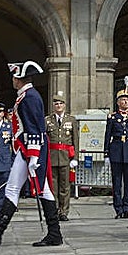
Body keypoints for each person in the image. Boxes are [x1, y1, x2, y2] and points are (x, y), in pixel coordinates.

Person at [0, 60, 64, 249]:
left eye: (14, 76)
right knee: (41, 189)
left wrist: (34, 156)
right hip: (27, 148)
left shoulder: (29, 97)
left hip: (31, 148)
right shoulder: (26, 95)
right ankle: (54, 233)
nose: (12, 80)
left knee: (16, 189)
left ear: (19, 78)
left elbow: (35, 128)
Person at [105, 86, 128, 219]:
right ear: (117, 102)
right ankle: (118, 208)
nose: (125, 102)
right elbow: (107, 135)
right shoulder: (112, 117)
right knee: (116, 182)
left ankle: (127, 208)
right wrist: (106, 153)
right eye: (122, 100)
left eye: (126, 100)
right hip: (116, 150)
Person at [47, 92, 78, 221]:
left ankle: (64, 211)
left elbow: (75, 139)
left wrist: (75, 158)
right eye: (56, 103)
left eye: (60, 103)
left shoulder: (71, 120)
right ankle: (54, 210)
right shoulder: (48, 120)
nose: (58, 105)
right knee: (53, 186)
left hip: (66, 157)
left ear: (64, 105)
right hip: (52, 157)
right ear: (53, 106)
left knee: (65, 186)